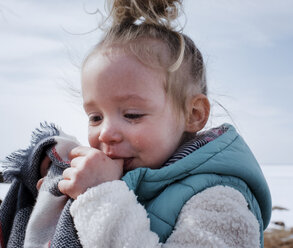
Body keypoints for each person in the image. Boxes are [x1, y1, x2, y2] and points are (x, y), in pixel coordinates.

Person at [47, 0, 271, 247]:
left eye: (132, 115)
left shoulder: (221, 202)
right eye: (95, 117)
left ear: (193, 113)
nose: (105, 134)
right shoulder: (123, 176)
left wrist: (99, 196)